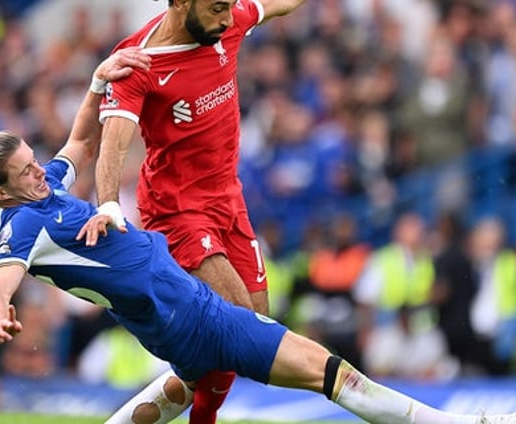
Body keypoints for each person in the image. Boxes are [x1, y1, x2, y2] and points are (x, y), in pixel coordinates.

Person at [0, 53, 516, 424]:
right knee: (330, 371)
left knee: (185, 385)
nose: (38, 169)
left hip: (167, 312)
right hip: (189, 313)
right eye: (25, 171)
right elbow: (1, 280)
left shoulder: (42, 192)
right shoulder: (22, 227)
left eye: (31, 159)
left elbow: (79, 146)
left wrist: (97, 85)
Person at [83, 1, 308, 420]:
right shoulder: (137, 61)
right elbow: (112, 144)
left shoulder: (227, 24)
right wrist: (110, 204)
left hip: (228, 200)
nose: (227, 18)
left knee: (255, 328)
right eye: (217, 8)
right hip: (177, 209)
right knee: (241, 327)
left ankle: (182, 372)